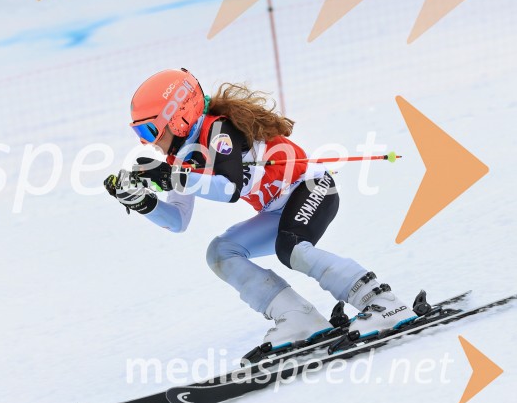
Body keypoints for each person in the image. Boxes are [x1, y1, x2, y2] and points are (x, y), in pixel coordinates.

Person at [104, 68, 414, 347]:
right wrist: (143, 203)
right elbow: (177, 221)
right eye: (141, 135)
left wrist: (172, 178)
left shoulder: (218, 131)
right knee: (221, 252)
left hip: (312, 187)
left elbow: (229, 189)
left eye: (149, 132)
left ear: (178, 116)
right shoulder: (181, 157)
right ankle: (298, 318)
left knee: (290, 248)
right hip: (276, 209)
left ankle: (381, 300)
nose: (149, 143)